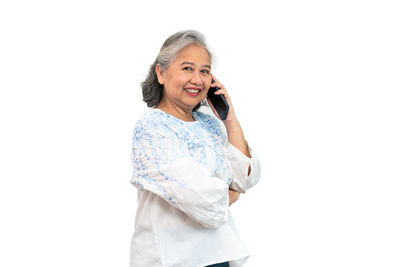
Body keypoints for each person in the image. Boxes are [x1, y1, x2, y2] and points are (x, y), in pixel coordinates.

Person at [130, 30, 261, 267]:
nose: (198, 80)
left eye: (205, 71)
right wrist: (230, 192)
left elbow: (245, 178)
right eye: (187, 68)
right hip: (173, 260)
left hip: (219, 256)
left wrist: (229, 118)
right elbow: (203, 201)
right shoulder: (152, 128)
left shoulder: (210, 123)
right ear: (161, 73)